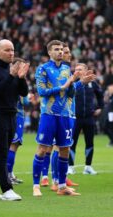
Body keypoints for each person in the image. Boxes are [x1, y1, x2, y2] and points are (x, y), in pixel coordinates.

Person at [32, 40, 95, 197]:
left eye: (61, 49)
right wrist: (64, 85)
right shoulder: (43, 69)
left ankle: (61, 186)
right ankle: (36, 186)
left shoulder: (67, 69)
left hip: (66, 115)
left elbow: (71, 92)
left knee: (65, 150)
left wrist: (80, 83)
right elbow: (42, 92)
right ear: (49, 52)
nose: (60, 52)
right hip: (49, 114)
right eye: (56, 49)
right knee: (42, 148)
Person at [0, 39, 29, 201]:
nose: (11, 53)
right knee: (1, 152)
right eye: (7, 50)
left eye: (13, 50)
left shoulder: (12, 70)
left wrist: (21, 78)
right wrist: (11, 76)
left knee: (1, 153)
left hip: (11, 114)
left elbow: (23, 93)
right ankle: (7, 189)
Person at [68, 63, 104, 175]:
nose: (77, 71)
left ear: (86, 71)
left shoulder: (92, 83)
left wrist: (100, 107)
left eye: (80, 69)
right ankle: (70, 167)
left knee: (90, 142)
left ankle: (88, 167)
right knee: (72, 143)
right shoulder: (72, 83)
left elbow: (100, 95)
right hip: (75, 118)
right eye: (76, 69)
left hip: (89, 117)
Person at [6, 57, 31, 185]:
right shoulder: (18, 80)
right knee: (13, 145)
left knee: (10, 145)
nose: (23, 69)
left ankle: (9, 173)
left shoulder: (7, 77)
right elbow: (25, 101)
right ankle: (8, 174)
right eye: (21, 66)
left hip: (8, 113)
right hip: (17, 114)